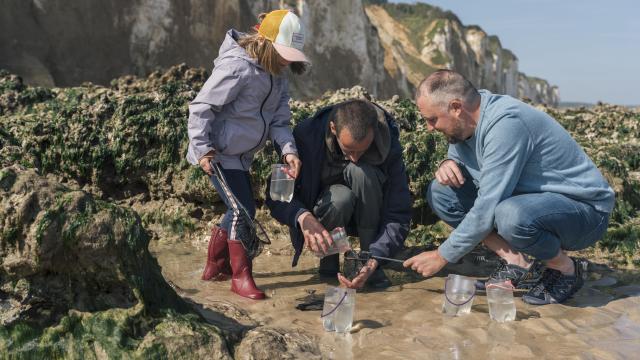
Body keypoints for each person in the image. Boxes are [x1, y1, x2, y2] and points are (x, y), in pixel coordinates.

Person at [404, 70, 614, 305]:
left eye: (432, 119)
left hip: (585, 212)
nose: (429, 128)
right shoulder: (468, 119)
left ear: (455, 107)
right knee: (441, 194)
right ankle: (517, 262)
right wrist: (448, 162)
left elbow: (487, 206)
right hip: (533, 202)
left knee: (509, 215)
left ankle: (565, 268)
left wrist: (441, 255)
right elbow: (465, 153)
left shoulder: (506, 124)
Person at [186, 10, 310, 300]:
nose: (287, 61)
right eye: (284, 54)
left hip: (241, 156)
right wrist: (203, 149)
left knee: (238, 209)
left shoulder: (277, 76)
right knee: (243, 211)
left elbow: (279, 120)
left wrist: (288, 150)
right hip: (218, 154)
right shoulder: (236, 67)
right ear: (265, 42)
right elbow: (201, 107)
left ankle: (215, 266)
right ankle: (241, 276)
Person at [266, 99, 412, 289]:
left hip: (371, 211)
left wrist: (376, 257)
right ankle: (329, 264)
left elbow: (398, 212)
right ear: (333, 128)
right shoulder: (306, 136)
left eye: (363, 150)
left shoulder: (389, 142)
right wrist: (302, 216)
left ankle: (366, 262)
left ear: (374, 132)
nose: (354, 157)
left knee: (361, 171)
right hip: (327, 212)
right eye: (348, 150)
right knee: (340, 198)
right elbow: (277, 196)